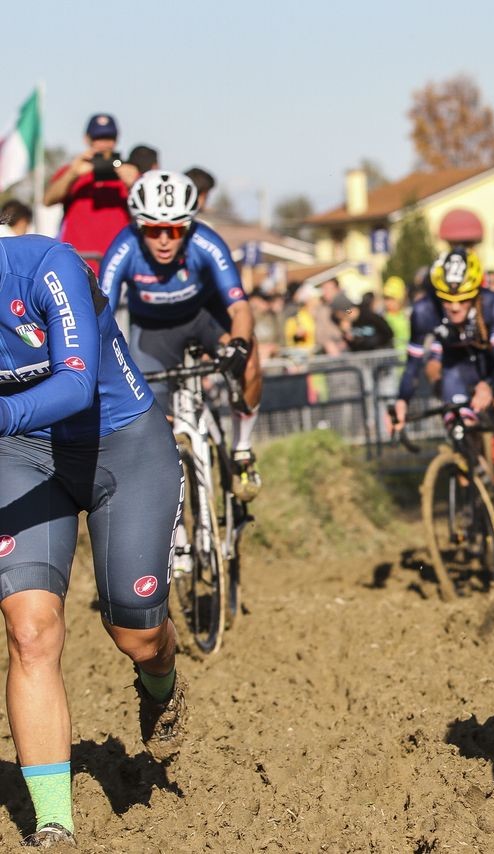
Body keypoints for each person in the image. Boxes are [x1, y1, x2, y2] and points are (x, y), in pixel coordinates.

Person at [0, 235, 185, 846]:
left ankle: (161, 682)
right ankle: (54, 821)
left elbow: (76, 385)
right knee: (29, 630)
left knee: (136, 632)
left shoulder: (45, 268)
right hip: (23, 457)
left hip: (122, 444)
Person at [99, 170, 262, 500]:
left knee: (250, 360)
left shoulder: (206, 242)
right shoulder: (123, 249)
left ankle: (242, 449)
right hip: (153, 332)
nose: (163, 240)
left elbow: (239, 309)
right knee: (152, 424)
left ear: (187, 226)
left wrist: (240, 347)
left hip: (205, 317)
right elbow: (100, 316)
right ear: (138, 226)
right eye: (153, 229)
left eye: (173, 230)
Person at [388, 247, 494, 534]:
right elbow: (412, 364)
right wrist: (401, 402)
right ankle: (488, 500)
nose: (455, 307)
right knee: (461, 429)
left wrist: (489, 387)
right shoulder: (423, 312)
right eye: (447, 300)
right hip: (458, 367)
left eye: (462, 299)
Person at [43, 113, 139, 274]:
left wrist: (134, 183)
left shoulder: (127, 173)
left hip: (117, 264)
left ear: (116, 140)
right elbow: (48, 200)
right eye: (98, 138)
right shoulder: (74, 172)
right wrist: (73, 173)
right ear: (87, 139)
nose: (104, 144)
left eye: (109, 138)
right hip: (77, 262)